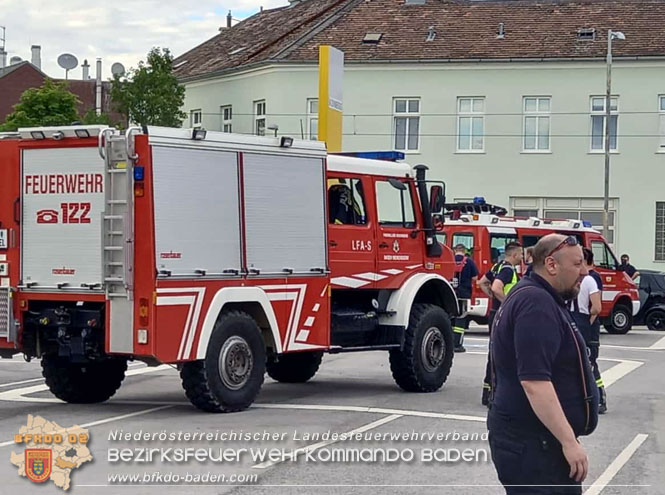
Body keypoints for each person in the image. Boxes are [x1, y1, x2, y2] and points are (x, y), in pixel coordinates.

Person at [488, 234, 599, 494]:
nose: (584, 272)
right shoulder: (535, 303)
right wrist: (569, 442)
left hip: (537, 443)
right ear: (551, 265)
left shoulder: (537, 296)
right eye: (577, 264)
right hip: (535, 448)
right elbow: (534, 382)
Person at [480, 242, 523, 405]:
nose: (522, 257)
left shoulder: (497, 266)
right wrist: (507, 303)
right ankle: (494, 393)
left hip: (494, 313)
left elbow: (482, 282)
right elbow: (498, 288)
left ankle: (488, 391)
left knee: (494, 352)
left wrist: (491, 296)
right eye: (520, 254)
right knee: (502, 353)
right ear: (514, 255)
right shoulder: (507, 269)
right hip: (502, 314)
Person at [569, 248, 607, 414]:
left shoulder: (583, 279)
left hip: (574, 320)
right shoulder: (590, 280)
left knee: (584, 362)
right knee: (588, 361)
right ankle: (595, 397)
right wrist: (589, 322)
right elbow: (596, 307)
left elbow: (597, 308)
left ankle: (596, 396)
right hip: (582, 321)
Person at [452, 243, 479, 353]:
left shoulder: (451, 259)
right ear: (464, 251)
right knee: (461, 319)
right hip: (464, 293)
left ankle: (448, 343)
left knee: (450, 319)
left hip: (451, 293)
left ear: (455, 250)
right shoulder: (469, 262)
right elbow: (475, 277)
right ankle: (457, 344)